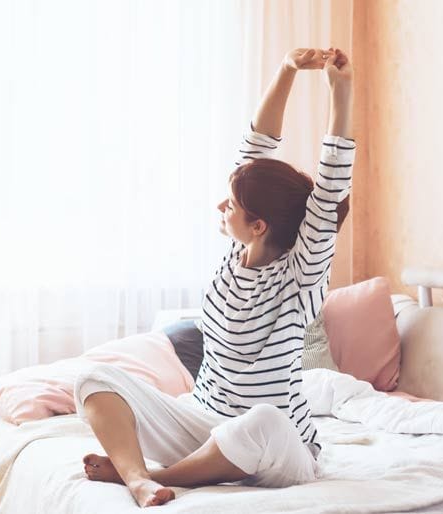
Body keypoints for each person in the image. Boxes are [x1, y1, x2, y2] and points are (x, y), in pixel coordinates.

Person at [74, 47, 355, 508]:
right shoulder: (235, 253)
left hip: (276, 449)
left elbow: (330, 192)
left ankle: (152, 477)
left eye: (231, 204)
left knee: (263, 420)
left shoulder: (299, 277)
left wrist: (342, 91)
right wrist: (286, 70)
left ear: (259, 225)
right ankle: (141, 477)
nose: (221, 208)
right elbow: (255, 150)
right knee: (93, 379)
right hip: (204, 426)